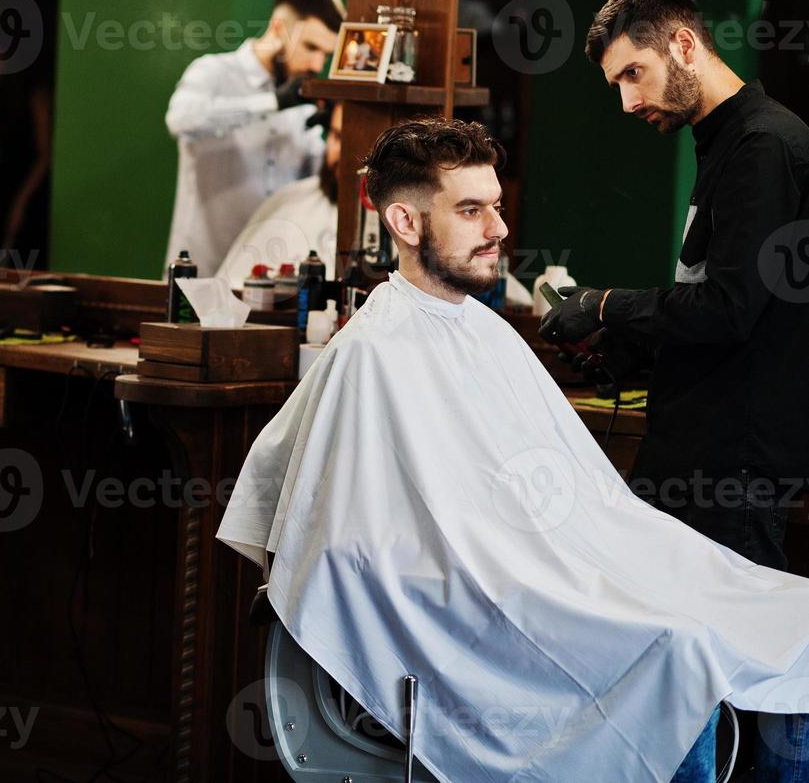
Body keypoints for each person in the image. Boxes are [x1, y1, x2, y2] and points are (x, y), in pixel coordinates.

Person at [219, 117, 809, 782]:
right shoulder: (371, 354)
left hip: (551, 569)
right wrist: (517, 568)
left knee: (786, 615)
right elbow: (340, 552)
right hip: (478, 608)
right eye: (470, 211)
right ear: (405, 224)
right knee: (677, 648)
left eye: (495, 207)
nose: (498, 230)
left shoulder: (485, 333)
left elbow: (582, 503)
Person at [541, 0, 809, 778]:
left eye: (633, 74)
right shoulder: (723, 142)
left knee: (739, 675)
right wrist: (626, 348)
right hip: (705, 447)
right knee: (696, 667)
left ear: (683, 46)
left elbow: (728, 310)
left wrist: (605, 304)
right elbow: (719, 299)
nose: (626, 102)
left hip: (736, 462)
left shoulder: (764, 145)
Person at [164, 0, 344, 274]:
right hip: (201, 270)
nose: (316, 63)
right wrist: (273, 102)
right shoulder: (214, 72)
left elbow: (311, 188)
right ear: (278, 28)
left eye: (325, 54)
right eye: (311, 47)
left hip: (266, 276)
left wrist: (336, 137)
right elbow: (180, 119)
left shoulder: (303, 104)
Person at [216, 103, 342, 288]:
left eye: (357, 141)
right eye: (337, 136)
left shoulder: (396, 221)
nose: (340, 152)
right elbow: (228, 293)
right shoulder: (288, 201)